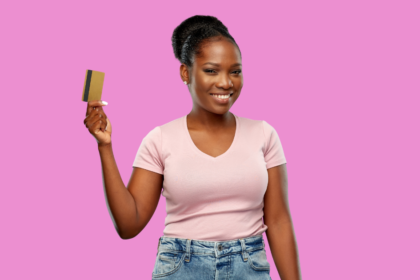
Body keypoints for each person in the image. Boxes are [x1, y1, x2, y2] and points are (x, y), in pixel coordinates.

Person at [83, 15, 301, 280]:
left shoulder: (264, 134)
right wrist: (105, 147)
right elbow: (129, 225)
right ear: (186, 72)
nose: (226, 82)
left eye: (235, 70)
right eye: (211, 70)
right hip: (180, 267)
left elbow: (279, 221)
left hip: (249, 267)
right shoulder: (160, 139)